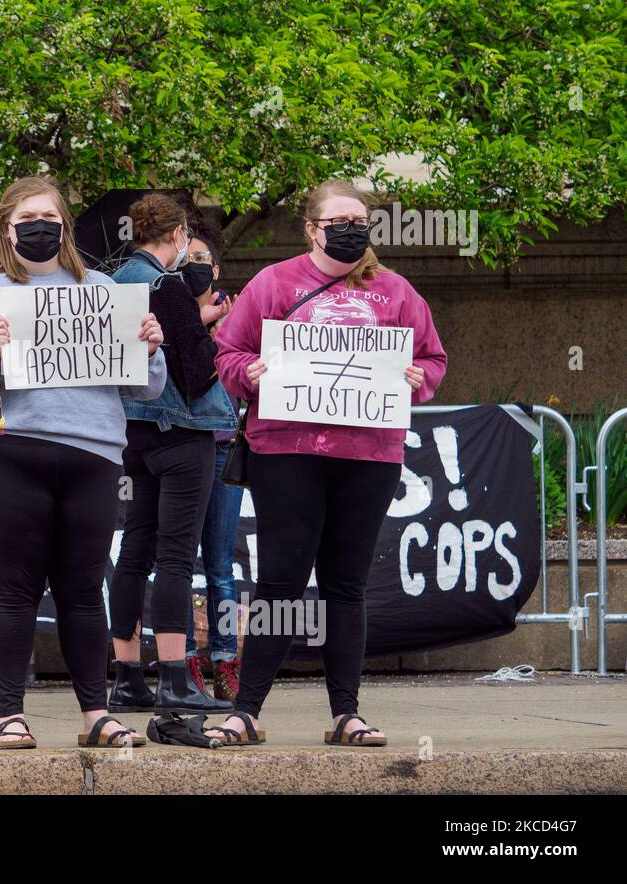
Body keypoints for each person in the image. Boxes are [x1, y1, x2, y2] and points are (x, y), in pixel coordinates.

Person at [0, 176, 167, 750]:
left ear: (66, 228)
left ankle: (95, 716)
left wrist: (151, 351)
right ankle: (10, 713)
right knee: (14, 587)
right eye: (28, 220)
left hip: (91, 454)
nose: (41, 229)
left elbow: (146, 389)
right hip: (3, 451)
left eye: (52, 220)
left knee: (84, 587)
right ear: (7, 229)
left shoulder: (104, 290)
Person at [205, 179, 447, 747]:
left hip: (370, 457)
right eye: (339, 221)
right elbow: (229, 352)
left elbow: (432, 358)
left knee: (346, 585)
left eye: (360, 221)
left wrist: (419, 379)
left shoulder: (397, 292)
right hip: (287, 453)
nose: (351, 230)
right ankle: (246, 712)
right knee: (280, 583)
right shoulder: (275, 282)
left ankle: (346, 713)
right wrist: (249, 374)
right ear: (311, 228)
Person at [107, 194, 232, 715]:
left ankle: (127, 675)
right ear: (179, 234)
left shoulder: (111, 285)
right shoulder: (169, 286)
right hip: (182, 433)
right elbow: (197, 370)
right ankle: (177, 679)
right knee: (177, 556)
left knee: (134, 552)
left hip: (133, 436)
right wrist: (209, 327)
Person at [175, 215, 245, 702]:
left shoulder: (238, 316)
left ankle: (226, 660)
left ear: (216, 270)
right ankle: (185, 663)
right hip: (181, 449)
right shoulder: (170, 313)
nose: (195, 266)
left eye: (203, 259)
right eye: (187, 259)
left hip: (223, 450)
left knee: (221, 564)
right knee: (177, 562)